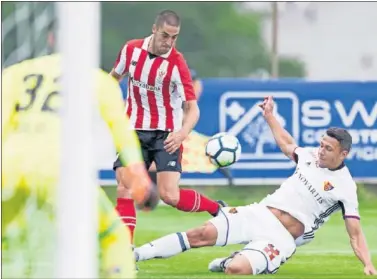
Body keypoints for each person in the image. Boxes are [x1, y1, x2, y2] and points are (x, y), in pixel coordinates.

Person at [133, 96, 377, 276]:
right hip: (259, 213)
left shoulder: (345, 188)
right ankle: (135, 254)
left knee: (236, 270)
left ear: (343, 154)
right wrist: (269, 116)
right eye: (321, 144)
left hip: (281, 238)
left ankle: (231, 260)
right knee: (200, 234)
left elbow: (355, 234)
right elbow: (286, 143)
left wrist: (367, 263)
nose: (321, 151)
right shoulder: (310, 156)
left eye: (328, 149)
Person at [1, 53, 156, 278]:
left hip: (8, 168)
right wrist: (137, 172)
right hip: (59, 170)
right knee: (114, 235)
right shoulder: (97, 80)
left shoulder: (15, 73)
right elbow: (121, 130)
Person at [109, 9, 225, 244]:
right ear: (154, 29)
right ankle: (126, 250)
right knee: (124, 188)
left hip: (167, 135)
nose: (169, 42)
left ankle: (217, 208)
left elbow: (192, 109)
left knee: (170, 195)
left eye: (174, 37)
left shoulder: (177, 63)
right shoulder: (130, 49)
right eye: (165, 36)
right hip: (133, 131)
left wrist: (182, 134)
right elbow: (112, 79)